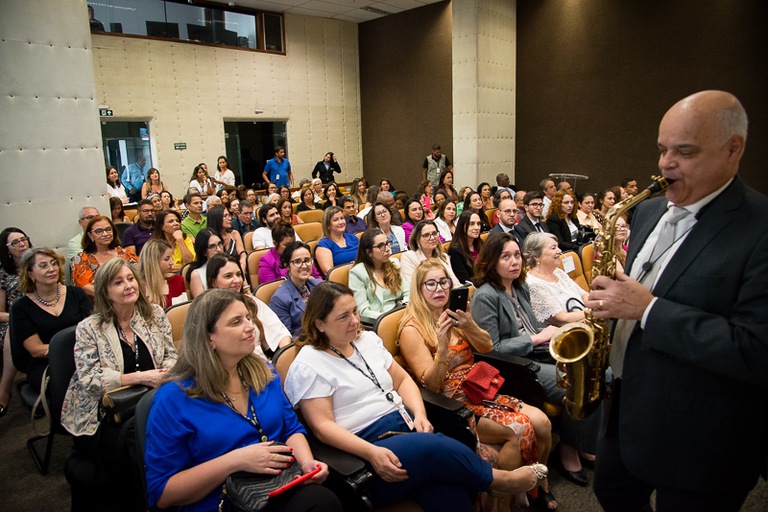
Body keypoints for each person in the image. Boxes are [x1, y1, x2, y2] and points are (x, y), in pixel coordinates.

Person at [583, 91, 768, 511]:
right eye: (663, 149)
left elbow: (757, 349)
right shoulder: (647, 212)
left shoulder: (760, 229)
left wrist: (647, 309)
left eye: (683, 152)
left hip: (701, 433)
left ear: (732, 149)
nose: (665, 164)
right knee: (612, 494)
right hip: (625, 408)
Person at [283, 282, 547, 512]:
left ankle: (483, 482)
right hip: (366, 449)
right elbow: (322, 427)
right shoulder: (309, 363)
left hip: (405, 427)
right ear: (319, 323)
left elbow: (401, 380)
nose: (355, 320)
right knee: (435, 446)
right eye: (343, 317)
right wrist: (372, 452)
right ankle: (498, 481)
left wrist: (420, 414)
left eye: (354, 311)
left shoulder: (366, 341)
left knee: (455, 500)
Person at [144, 289, 339, 512]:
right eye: (236, 322)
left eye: (248, 317)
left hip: (279, 484)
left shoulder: (264, 373)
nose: (250, 327)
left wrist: (306, 464)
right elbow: (163, 492)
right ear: (209, 338)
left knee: (327, 499)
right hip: (220, 501)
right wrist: (235, 461)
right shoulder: (173, 398)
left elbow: (290, 429)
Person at [398, 260, 557, 510]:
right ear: (418, 289)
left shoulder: (453, 314)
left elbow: (486, 347)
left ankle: (539, 486)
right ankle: (501, 503)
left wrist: (469, 325)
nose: (439, 289)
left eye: (444, 282)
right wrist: (441, 348)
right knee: (519, 429)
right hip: (452, 405)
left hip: (480, 389)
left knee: (542, 422)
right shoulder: (411, 329)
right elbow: (432, 384)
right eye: (430, 284)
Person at [471, 233, 598, 488]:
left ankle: (583, 441)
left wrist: (548, 336)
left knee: (597, 372)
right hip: (516, 366)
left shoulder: (520, 286)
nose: (514, 262)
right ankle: (568, 450)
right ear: (492, 261)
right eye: (505, 257)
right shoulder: (485, 295)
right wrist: (536, 339)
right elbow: (490, 349)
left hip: (539, 352)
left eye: (517, 255)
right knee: (577, 382)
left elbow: (533, 324)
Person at [61, 258, 177, 512]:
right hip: (102, 413)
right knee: (139, 443)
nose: (128, 285)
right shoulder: (90, 328)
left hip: (149, 399)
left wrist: (165, 372)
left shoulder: (154, 314)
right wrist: (138, 377)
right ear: (105, 291)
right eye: (118, 282)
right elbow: (90, 380)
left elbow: (171, 354)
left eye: (130, 279)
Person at [10, 248, 92, 394]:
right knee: (76, 384)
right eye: (43, 266)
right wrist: (73, 350)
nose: (51, 269)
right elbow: (35, 350)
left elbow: (93, 330)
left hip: (84, 356)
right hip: (46, 364)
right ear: (30, 274)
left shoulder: (76, 294)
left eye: (54, 263)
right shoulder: (21, 308)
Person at [206, 254, 292, 358]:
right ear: (213, 282)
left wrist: (283, 358)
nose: (237, 280)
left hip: (265, 365)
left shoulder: (250, 301)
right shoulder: (208, 313)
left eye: (238, 275)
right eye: (228, 276)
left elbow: (280, 332)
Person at [523, 233, 588, 326]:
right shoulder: (533, 284)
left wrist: (599, 306)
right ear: (536, 256)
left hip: (585, 320)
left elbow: (583, 294)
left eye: (557, 247)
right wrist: (592, 313)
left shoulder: (558, 272)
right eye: (553, 248)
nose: (560, 251)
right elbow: (562, 318)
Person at [348, 229, 409, 325]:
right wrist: (389, 319)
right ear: (369, 252)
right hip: (379, 321)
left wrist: (405, 308)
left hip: (401, 314)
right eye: (381, 246)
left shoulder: (394, 263)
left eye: (388, 243)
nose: (388, 248)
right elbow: (362, 312)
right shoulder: (358, 273)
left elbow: (408, 292)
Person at [0, 228, 31, 415]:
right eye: (15, 243)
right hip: (11, 320)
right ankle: (4, 391)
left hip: (43, 315)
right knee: (15, 331)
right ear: (7, 250)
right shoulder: (3, 274)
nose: (21, 244)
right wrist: (19, 317)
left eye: (23, 239)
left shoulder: (40, 265)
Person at [72, 216, 139, 298]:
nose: (105, 234)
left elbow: (140, 276)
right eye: (99, 231)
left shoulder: (127, 254)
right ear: (90, 235)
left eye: (108, 229)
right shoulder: (82, 259)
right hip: (100, 303)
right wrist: (115, 296)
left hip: (130, 298)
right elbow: (85, 287)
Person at [400, 220, 460, 287]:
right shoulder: (409, 257)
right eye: (426, 235)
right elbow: (412, 287)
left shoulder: (443, 257)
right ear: (417, 239)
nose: (432, 238)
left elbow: (455, 283)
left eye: (434, 233)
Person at [139, 239, 187, 308]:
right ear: (153, 262)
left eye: (171, 257)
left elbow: (184, 310)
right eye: (167, 259)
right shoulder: (138, 287)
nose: (172, 262)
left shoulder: (177, 281)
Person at [315, 206, 360, 276]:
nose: (341, 222)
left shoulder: (353, 238)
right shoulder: (324, 245)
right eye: (336, 220)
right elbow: (329, 273)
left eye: (342, 218)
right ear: (328, 225)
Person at [207, 205, 247, 271]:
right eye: (225, 216)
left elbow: (242, 254)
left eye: (229, 215)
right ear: (217, 219)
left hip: (238, 269)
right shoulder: (210, 238)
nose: (230, 218)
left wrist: (241, 269)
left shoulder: (234, 233)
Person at [448, 211, 484, 284]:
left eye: (478, 224)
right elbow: (465, 280)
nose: (477, 228)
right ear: (462, 226)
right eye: (472, 224)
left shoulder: (480, 244)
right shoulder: (455, 250)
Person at [187, 229, 224, 298]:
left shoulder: (232, 265)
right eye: (212, 246)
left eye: (220, 244)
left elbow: (246, 291)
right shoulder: (197, 274)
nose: (219, 249)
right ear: (204, 251)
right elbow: (202, 306)